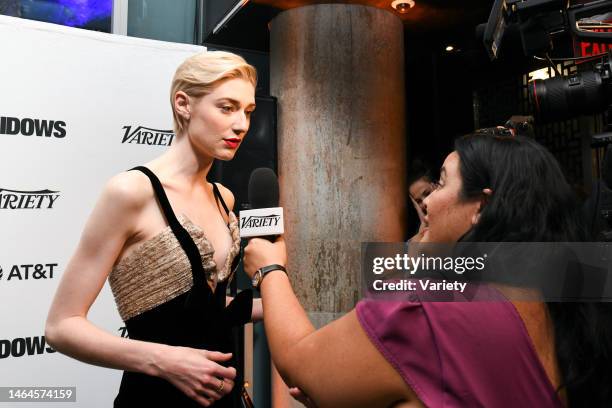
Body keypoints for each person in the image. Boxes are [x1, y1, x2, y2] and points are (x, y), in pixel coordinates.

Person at [243, 130, 612, 407]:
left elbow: (299, 361)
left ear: (481, 207)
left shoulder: (428, 310)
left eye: (441, 182)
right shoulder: (548, 304)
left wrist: (270, 268)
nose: (428, 201)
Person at [45, 51, 262, 407]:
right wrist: (165, 361)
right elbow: (61, 326)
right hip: (153, 400)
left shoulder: (224, 198)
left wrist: (283, 299)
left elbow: (198, 308)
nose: (242, 125)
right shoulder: (132, 192)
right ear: (183, 104)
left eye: (248, 111)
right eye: (227, 107)